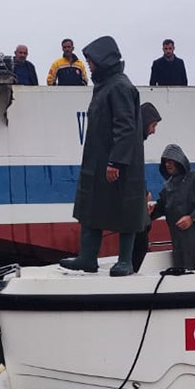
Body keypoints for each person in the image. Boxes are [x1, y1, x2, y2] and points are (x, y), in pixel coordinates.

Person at [58, 36, 145, 277]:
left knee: (126, 208)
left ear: (104, 60)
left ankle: (125, 260)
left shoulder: (120, 86)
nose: (89, 65)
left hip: (116, 163)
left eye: (91, 61)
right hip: (97, 160)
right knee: (90, 205)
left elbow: (125, 126)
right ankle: (87, 257)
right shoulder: (105, 85)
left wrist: (115, 161)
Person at [150, 144, 195, 271]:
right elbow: (162, 207)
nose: (167, 164)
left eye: (171, 161)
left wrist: (192, 218)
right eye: (166, 162)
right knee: (182, 268)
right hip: (180, 239)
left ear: (179, 161)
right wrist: (150, 211)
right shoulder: (168, 186)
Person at [131, 102, 163, 272]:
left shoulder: (134, 141)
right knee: (139, 238)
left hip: (134, 199)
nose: (153, 131)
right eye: (153, 125)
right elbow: (131, 172)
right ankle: (132, 271)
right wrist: (143, 195)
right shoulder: (133, 143)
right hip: (133, 202)